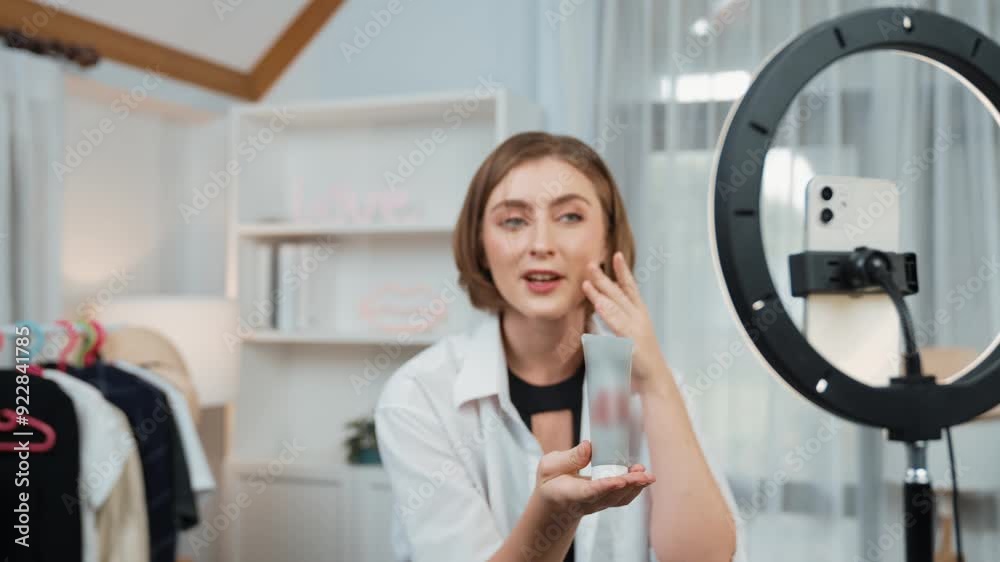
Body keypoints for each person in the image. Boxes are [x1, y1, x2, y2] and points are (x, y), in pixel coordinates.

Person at [375, 132, 739, 562]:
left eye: (569, 217)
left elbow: (704, 558)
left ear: (607, 241)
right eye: (514, 221)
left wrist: (656, 383)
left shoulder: (652, 383)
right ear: (480, 245)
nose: (541, 245)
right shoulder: (419, 398)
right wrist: (556, 515)